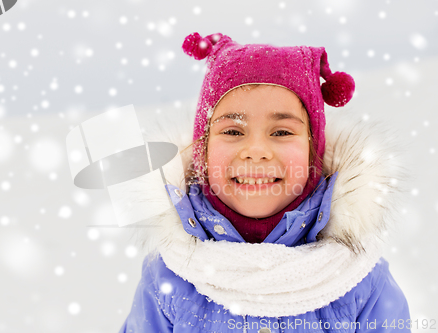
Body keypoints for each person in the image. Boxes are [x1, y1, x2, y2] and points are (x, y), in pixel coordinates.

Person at [119, 32, 411, 332]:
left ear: (314, 152)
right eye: (233, 131)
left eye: (281, 132)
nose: (256, 151)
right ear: (202, 151)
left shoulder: (359, 281)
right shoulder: (169, 278)